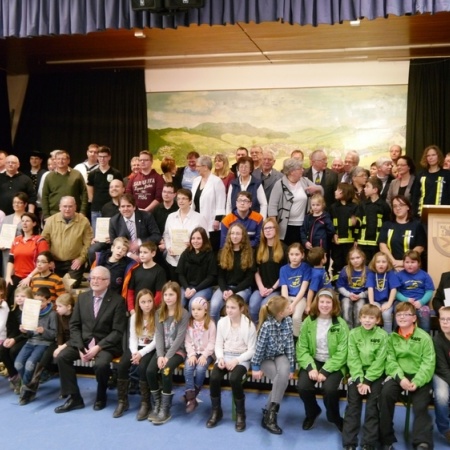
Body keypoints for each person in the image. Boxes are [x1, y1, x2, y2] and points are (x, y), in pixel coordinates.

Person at [54, 266, 127, 413]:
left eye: (99, 278)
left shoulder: (118, 301)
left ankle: (101, 396)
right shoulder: (82, 298)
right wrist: (81, 347)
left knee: (101, 364)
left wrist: (98, 348)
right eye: (92, 278)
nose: (95, 281)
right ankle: (75, 398)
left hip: (106, 344)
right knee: (62, 357)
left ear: (107, 281)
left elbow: (117, 332)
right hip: (84, 342)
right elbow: (74, 325)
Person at [379, 302, 435, 450]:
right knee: (385, 394)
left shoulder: (424, 338)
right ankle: (386, 439)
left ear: (414, 318)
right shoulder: (391, 338)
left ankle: (422, 442)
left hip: (419, 376)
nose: (402, 317)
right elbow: (390, 361)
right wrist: (400, 378)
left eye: (406, 314)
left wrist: (417, 381)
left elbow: (428, 363)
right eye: (399, 314)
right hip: (399, 376)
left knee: (421, 404)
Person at [297, 288, 349, 432]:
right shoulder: (308, 321)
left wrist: (325, 370)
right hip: (314, 360)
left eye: (328, 302)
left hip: (334, 362)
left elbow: (342, 352)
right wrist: (310, 368)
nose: (325, 305)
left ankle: (334, 417)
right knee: (303, 386)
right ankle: (312, 412)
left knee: (330, 389)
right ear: (317, 303)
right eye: (322, 302)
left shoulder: (340, 324)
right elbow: (302, 347)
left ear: (334, 305)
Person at [206, 294, 256, 432]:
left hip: (241, 358)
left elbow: (252, 350)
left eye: (233, 307)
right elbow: (218, 344)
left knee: (234, 379)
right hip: (225, 356)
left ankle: (241, 414)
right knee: (214, 377)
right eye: (227, 307)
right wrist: (220, 358)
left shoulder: (249, 325)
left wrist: (236, 360)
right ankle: (216, 411)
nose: (229, 310)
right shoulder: (222, 322)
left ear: (241, 308)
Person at [342, 304, 388, 450]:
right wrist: (360, 380)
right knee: (353, 406)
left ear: (378, 320)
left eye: (371, 318)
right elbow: (353, 359)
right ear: (360, 318)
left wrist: (367, 381)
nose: (367, 321)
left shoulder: (383, 336)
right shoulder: (353, 334)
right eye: (365, 317)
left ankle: (369, 442)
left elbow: (380, 361)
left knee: (372, 408)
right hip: (357, 376)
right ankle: (349, 443)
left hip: (375, 376)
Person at [147, 281, 189, 425]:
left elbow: (179, 338)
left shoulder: (184, 313)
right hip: (162, 351)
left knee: (166, 371)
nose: (168, 297)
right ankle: (157, 403)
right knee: (150, 371)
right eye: (166, 294)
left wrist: (167, 357)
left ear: (178, 295)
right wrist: (159, 355)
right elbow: (158, 335)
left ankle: (166, 409)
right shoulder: (159, 312)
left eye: (171, 294)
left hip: (177, 351)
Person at [251, 295, 294, 435]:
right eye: (288, 307)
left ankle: (268, 413)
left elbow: (289, 346)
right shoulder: (267, 326)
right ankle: (271, 417)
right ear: (281, 312)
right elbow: (259, 349)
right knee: (280, 379)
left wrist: (292, 367)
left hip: (279, 355)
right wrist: (256, 367)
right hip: (265, 358)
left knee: (285, 372)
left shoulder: (288, 321)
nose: (290, 308)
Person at [114, 289, 156, 420]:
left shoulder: (158, 316)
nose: (147, 304)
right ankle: (122, 401)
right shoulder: (134, 317)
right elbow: (132, 338)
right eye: (143, 302)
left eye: (149, 301)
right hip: (136, 348)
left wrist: (141, 353)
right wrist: (134, 353)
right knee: (122, 365)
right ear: (139, 303)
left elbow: (156, 341)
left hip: (149, 348)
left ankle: (146, 403)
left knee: (143, 367)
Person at [15, 287, 57, 405]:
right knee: (18, 364)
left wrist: (44, 331)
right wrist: (24, 331)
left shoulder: (52, 314)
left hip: (44, 343)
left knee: (29, 365)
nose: (39, 304)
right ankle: (30, 387)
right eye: (36, 301)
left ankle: (27, 392)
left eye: (42, 301)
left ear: (48, 301)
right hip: (31, 342)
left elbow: (54, 335)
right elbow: (29, 333)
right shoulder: (31, 312)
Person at [268, 157, 323, 245]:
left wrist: (317, 189)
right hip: (285, 227)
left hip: (303, 225)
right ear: (292, 171)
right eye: (300, 168)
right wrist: (274, 226)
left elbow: (321, 191)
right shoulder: (280, 184)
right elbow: (272, 206)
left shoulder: (304, 181)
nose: (302, 170)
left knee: (301, 251)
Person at [42, 196, 93, 288]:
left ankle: (77, 276)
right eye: (65, 206)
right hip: (54, 262)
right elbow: (44, 242)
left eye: (70, 206)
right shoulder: (50, 221)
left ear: (75, 207)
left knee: (70, 285)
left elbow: (88, 242)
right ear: (60, 207)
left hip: (74, 262)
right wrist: (48, 261)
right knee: (52, 285)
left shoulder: (84, 221)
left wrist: (81, 259)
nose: (67, 209)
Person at [210, 223, 256, 323]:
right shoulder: (223, 252)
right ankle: (217, 335)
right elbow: (220, 276)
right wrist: (224, 290)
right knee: (213, 307)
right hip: (225, 288)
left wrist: (233, 291)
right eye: (233, 233)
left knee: (234, 306)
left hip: (243, 289)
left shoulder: (250, 253)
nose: (235, 236)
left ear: (243, 236)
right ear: (229, 235)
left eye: (238, 234)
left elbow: (249, 279)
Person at [162, 188, 208, 281]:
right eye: (178, 199)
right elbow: (166, 235)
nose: (181, 201)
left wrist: (192, 245)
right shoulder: (171, 217)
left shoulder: (199, 218)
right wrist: (169, 247)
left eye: (184, 198)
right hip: (173, 259)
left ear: (190, 201)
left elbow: (206, 238)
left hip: (191, 260)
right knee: (175, 288)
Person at [249, 217, 287, 324]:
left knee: (264, 305)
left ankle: (264, 333)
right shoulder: (259, 248)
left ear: (276, 229)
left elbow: (285, 274)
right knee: (252, 306)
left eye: (271, 228)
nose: (268, 231)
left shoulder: (284, 248)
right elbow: (255, 270)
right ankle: (257, 330)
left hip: (276, 288)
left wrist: (272, 288)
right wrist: (261, 288)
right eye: (265, 229)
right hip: (261, 287)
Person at [5, 213, 49, 306]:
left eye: (27, 221)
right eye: (23, 221)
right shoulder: (17, 239)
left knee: (28, 301)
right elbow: (10, 260)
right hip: (17, 276)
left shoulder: (40, 240)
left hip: (34, 276)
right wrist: (8, 276)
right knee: (7, 298)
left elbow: (43, 262)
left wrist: (29, 277)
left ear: (34, 223)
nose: (24, 223)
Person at [183, 297, 216, 413]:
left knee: (201, 369)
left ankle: (191, 395)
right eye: (193, 309)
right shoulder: (189, 323)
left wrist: (204, 355)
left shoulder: (211, 324)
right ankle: (192, 399)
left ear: (205, 310)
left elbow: (212, 342)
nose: (195, 312)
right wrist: (191, 354)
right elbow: (187, 341)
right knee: (188, 368)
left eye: (199, 309)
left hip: (206, 354)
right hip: (193, 353)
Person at [378, 195, 426, 271]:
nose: (398, 208)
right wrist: (394, 262)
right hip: (391, 267)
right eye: (395, 206)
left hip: (411, 268)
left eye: (401, 205)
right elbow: (382, 246)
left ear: (408, 207)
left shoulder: (417, 225)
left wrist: (404, 263)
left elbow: (420, 247)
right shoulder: (387, 225)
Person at [108, 193, 161, 262]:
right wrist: (129, 254)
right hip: (125, 257)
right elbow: (113, 244)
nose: (126, 209)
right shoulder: (114, 221)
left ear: (134, 207)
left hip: (147, 255)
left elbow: (156, 236)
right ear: (119, 208)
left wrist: (139, 242)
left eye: (128, 206)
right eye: (123, 206)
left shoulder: (146, 216)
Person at [176, 227, 217, 310]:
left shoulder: (209, 254)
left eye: (199, 238)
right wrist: (186, 287)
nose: (195, 241)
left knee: (193, 304)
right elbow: (180, 273)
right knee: (179, 303)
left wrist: (195, 289)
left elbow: (211, 277)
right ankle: (180, 323)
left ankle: (193, 323)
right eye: (193, 238)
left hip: (204, 288)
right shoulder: (186, 253)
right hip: (187, 287)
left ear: (204, 240)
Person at [191, 155, 226, 251]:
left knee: (210, 250)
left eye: (198, 166)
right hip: (196, 221)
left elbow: (221, 201)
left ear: (205, 167)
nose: (196, 168)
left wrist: (217, 219)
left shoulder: (216, 181)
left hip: (212, 223)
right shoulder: (196, 181)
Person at [0, 286, 30, 393]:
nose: (19, 298)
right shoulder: (14, 311)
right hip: (17, 337)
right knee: (3, 349)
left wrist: (15, 340)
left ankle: (23, 377)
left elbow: (29, 333)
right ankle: (14, 376)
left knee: (13, 351)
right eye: (17, 296)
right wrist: (9, 338)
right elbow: (12, 328)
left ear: (30, 298)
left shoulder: (31, 312)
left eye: (23, 296)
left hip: (28, 338)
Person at [395, 250, 434, 332]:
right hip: (402, 301)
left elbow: (429, 291)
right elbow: (395, 292)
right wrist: (406, 300)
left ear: (419, 263)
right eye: (407, 262)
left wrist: (421, 302)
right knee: (398, 311)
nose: (410, 265)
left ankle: (425, 335)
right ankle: (397, 333)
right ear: (403, 263)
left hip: (420, 302)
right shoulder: (399, 275)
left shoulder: (425, 275)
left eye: (413, 262)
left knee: (425, 312)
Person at [42, 150, 88, 219]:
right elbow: (45, 196)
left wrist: (82, 211)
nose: (61, 161)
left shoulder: (76, 174)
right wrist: (46, 215)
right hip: (54, 215)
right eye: (58, 159)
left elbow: (84, 193)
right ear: (55, 161)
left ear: (68, 161)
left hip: (74, 214)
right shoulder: (49, 176)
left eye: (63, 159)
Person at [87, 145, 123, 230]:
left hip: (113, 209)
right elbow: (90, 193)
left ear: (109, 157)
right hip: (97, 210)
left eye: (105, 157)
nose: (102, 159)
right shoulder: (92, 174)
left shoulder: (116, 173)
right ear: (97, 157)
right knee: (98, 236)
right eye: (100, 156)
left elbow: (121, 191)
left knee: (114, 233)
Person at [356, 176, 390, 263]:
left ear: (375, 190)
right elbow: (358, 223)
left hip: (377, 243)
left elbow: (387, 224)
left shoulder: (384, 206)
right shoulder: (362, 205)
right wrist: (356, 239)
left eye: (367, 186)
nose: (364, 189)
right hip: (362, 242)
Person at [124, 241, 166, 312]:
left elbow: (159, 294)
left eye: (145, 252)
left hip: (151, 309)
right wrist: (131, 309)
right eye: (140, 252)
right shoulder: (135, 269)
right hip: (136, 309)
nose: (142, 255)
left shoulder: (160, 271)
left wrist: (150, 308)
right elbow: (130, 291)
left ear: (153, 253)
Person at [280, 243, 311, 337]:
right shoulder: (283, 269)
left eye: (297, 254)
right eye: (291, 254)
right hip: (287, 297)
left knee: (296, 317)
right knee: (281, 314)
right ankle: (283, 338)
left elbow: (303, 289)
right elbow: (284, 288)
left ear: (302, 255)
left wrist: (293, 304)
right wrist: (287, 303)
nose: (294, 257)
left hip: (300, 298)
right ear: (288, 255)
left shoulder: (306, 267)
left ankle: (297, 339)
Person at [329, 182, 358, 281]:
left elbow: (358, 226)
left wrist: (356, 239)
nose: (335, 192)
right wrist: (333, 235)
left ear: (344, 192)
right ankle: (336, 281)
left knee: (349, 261)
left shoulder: (354, 207)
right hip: (337, 242)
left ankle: (349, 280)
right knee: (337, 261)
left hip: (349, 242)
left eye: (338, 190)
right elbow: (330, 223)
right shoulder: (333, 207)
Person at [411, 144, 450, 217]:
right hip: (422, 216)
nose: (430, 158)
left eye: (433, 155)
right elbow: (415, 196)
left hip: (442, 215)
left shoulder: (447, 175)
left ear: (438, 156)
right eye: (428, 156)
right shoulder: (420, 175)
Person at [366, 252, 400, 333]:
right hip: (375, 301)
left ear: (388, 263)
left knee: (386, 314)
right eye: (378, 262)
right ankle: (372, 335)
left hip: (387, 301)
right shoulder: (371, 274)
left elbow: (394, 289)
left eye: (384, 262)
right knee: (372, 313)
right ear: (374, 263)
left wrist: (389, 303)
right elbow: (370, 289)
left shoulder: (390, 273)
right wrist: (372, 303)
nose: (381, 264)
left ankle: (387, 335)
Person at [336, 247, 368, 329]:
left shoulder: (368, 271)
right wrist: (349, 294)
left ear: (363, 258)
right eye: (352, 258)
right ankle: (347, 330)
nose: (355, 260)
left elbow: (370, 289)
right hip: (347, 295)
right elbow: (340, 286)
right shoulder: (345, 270)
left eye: (358, 257)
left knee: (360, 307)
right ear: (349, 260)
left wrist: (361, 295)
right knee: (346, 307)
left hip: (361, 296)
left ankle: (357, 331)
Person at [1, 192, 29, 278]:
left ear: (25, 204)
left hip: (23, 252)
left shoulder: (29, 218)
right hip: (7, 251)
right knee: (7, 277)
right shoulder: (6, 218)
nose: (16, 204)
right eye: (14, 202)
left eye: (19, 202)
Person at [432, 306, 450, 443]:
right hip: (441, 374)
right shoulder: (437, 340)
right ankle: (445, 429)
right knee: (442, 396)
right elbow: (442, 368)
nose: (445, 322)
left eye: (449, 319)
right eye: (442, 319)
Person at [300, 193, 335, 259]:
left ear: (322, 205)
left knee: (321, 262)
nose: (315, 207)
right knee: (310, 263)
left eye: (318, 205)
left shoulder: (325, 217)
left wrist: (323, 239)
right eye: (313, 205)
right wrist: (305, 242)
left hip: (321, 247)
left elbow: (331, 231)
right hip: (309, 247)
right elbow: (303, 230)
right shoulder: (308, 217)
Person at [305, 247, 332, 315]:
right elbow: (311, 290)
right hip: (322, 298)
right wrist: (308, 306)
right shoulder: (316, 274)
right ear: (322, 260)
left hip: (329, 294)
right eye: (325, 255)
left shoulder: (320, 269)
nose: (326, 256)